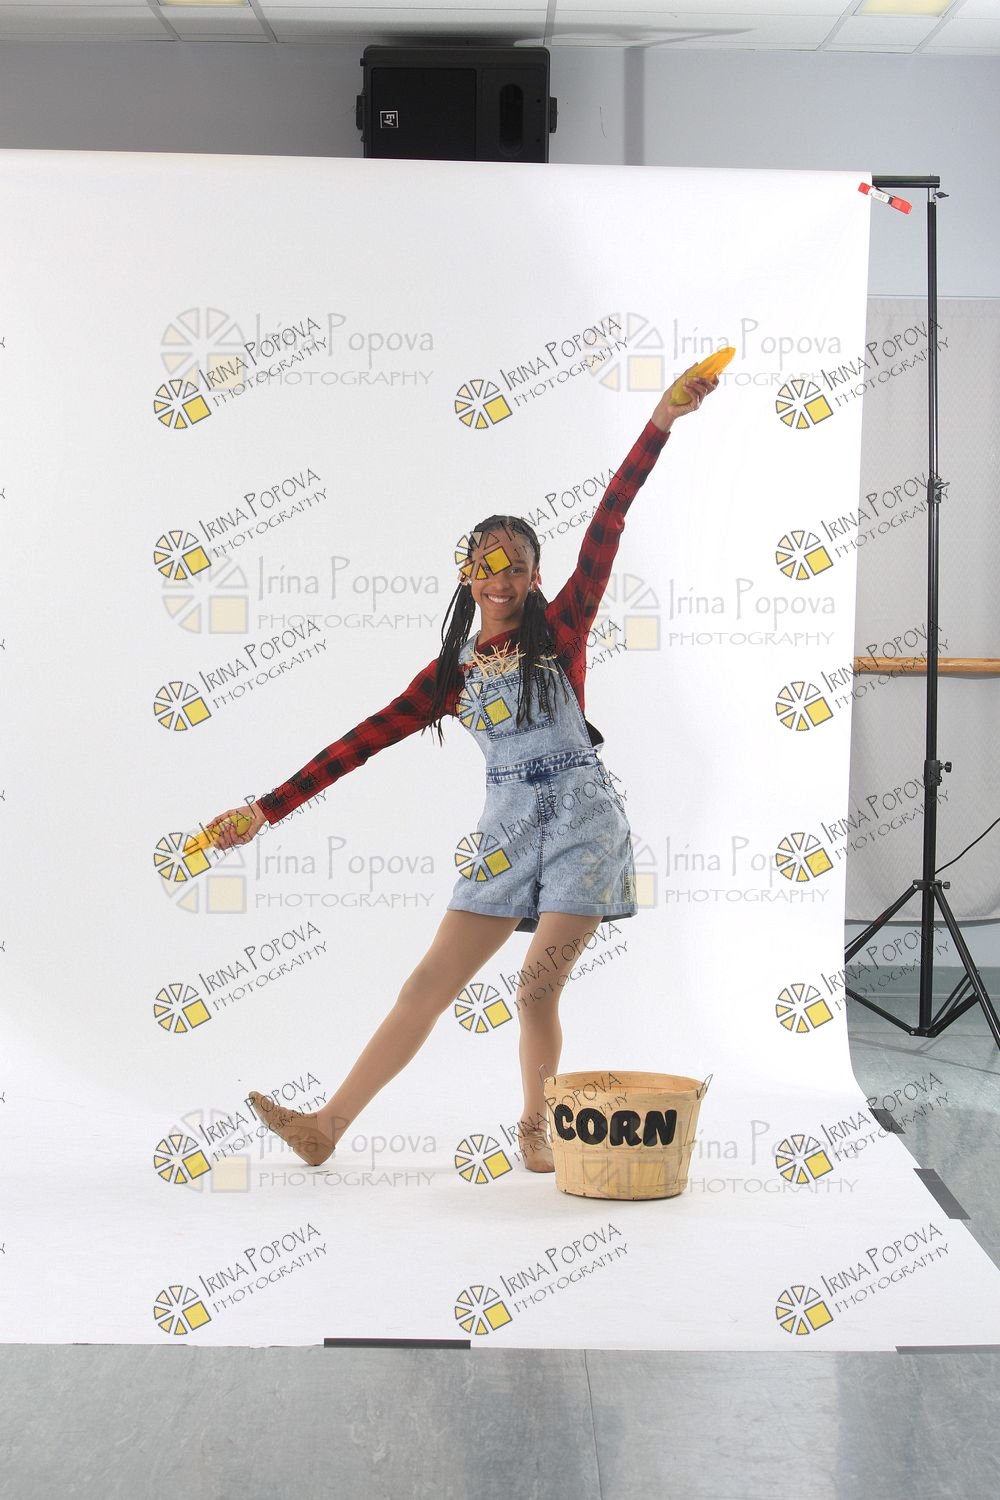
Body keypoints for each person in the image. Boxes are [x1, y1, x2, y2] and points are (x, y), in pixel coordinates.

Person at [206, 373, 718, 1173]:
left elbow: (610, 517)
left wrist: (661, 419)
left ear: (537, 575)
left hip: (583, 824)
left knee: (536, 990)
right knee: (425, 985)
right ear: (467, 575)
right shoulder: (450, 675)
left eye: (515, 565)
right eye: (486, 565)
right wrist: (264, 811)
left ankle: (536, 1131)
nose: (500, 578)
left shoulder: (563, 629)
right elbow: (360, 742)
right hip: (505, 832)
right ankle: (325, 1128)